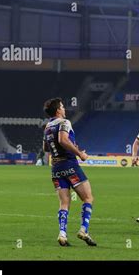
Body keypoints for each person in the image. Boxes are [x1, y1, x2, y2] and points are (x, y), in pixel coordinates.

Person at [43, 98, 97, 247]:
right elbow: (63, 140)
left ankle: (62, 233)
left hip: (56, 168)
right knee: (88, 198)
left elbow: (46, 148)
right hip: (69, 164)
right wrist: (80, 153)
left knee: (64, 203)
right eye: (62, 106)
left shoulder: (47, 127)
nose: (64, 109)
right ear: (58, 110)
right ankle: (83, 230)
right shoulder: (64, 122)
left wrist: (65, 147)